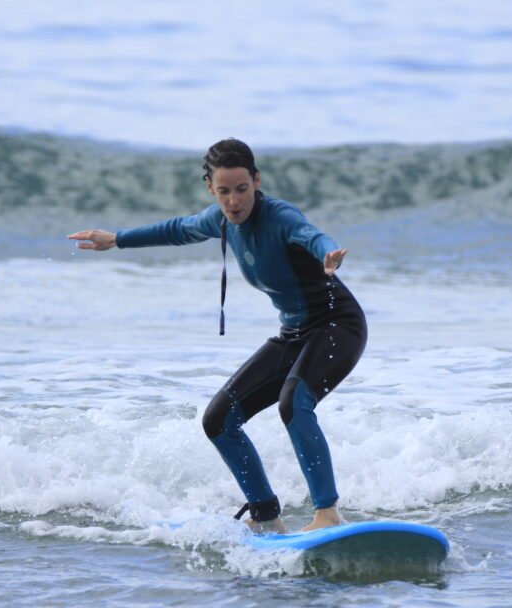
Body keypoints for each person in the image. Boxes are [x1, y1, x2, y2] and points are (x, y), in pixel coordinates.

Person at [68, 139, 367, 533]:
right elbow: (178, 229)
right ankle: (266, 518)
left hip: (337, 325)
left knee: (293, 403)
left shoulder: (280, 217)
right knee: (219, 420)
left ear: (256, 182)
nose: (234, 201)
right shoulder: (220, 220)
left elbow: (312, 236)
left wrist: (329, 254)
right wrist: (117, 239)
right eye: (224, 191)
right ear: (210, 187)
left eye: (242, 189)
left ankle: (327, 514)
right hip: (293, 332)